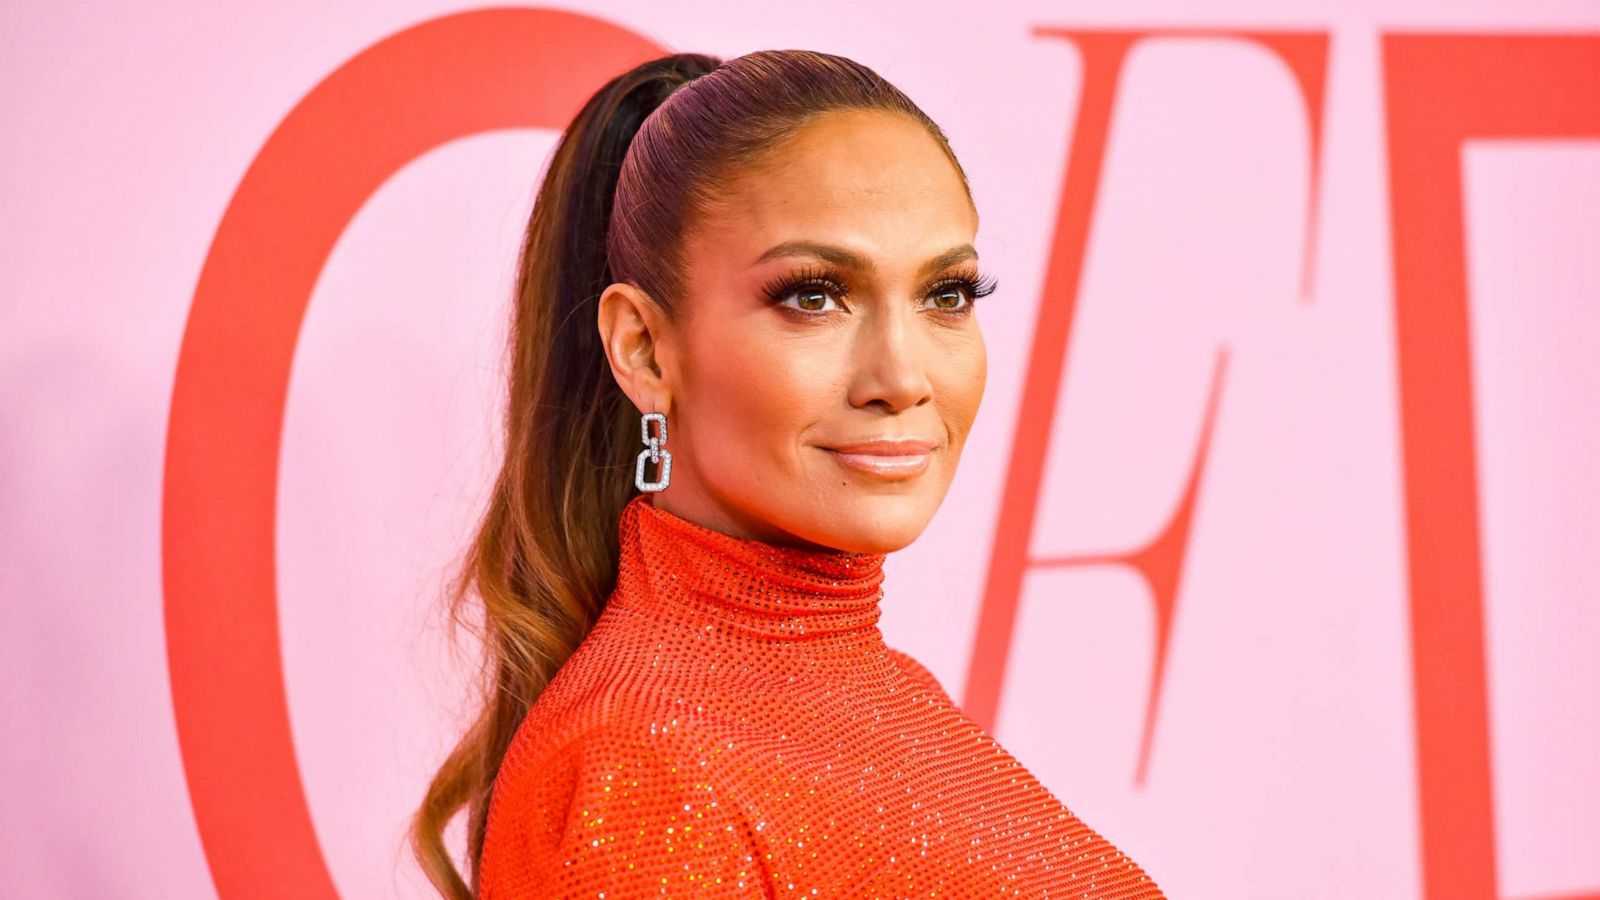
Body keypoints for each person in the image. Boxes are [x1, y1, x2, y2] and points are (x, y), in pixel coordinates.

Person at [410, 49, 1165, 899]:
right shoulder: (646, 779)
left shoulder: (877, 696)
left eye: (946, 294)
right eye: (814, 295)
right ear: (644, 348)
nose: (904, 377)